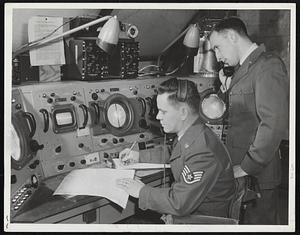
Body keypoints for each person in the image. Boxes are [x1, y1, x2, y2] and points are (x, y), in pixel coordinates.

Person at [116, 77, 236, 224]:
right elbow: (173, 152)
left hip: (202, 222)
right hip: (190, 214)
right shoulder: (192, 133)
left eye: (163, 111)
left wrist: (141, 191)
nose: (158, 117)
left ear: (183, 112)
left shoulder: (204, 151)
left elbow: (179, 203)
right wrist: (139, 156)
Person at [208, 17, 289, 224]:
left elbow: (273, 123)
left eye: (218, 47)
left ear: (232, 36)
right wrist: (225, 90)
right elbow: (238, 116)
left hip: (256, 175)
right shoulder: (242, 70)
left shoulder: (267, 65)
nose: (218, 57)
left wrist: (246, 166)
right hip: (239, 170)